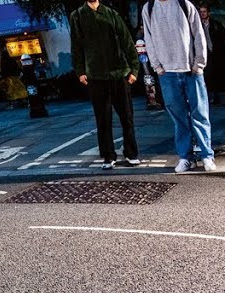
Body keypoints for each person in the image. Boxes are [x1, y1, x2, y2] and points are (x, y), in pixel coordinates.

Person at [142, 0, 215, 173]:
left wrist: (199, 64)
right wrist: (156, 66)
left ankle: (207, 155)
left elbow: (198, 34)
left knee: (200, 114)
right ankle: (185, 157)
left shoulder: (184, 4)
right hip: (167, 72)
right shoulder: (149, 8)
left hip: (190, 70)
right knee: (179, 118)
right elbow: (148, 38)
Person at [70, 0, 143, 168]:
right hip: (96, 75)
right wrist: (80, 71)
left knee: (127, 117)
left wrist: (134, 69)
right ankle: (108, 156)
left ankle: (131, 153)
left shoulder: (112, 13)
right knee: (103, 119)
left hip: (119, 73)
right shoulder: (78, 16)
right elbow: (76, 46)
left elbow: (127, 40)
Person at [200, 5, 225, 106]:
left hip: (219, 54)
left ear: (208, 13)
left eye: (204, 11)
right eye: (201, 12)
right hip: (208, 55)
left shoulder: (216, 24)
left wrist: (219, 47)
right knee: (211, 77)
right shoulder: (199, 26)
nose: (202, 13)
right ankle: (216, 98)